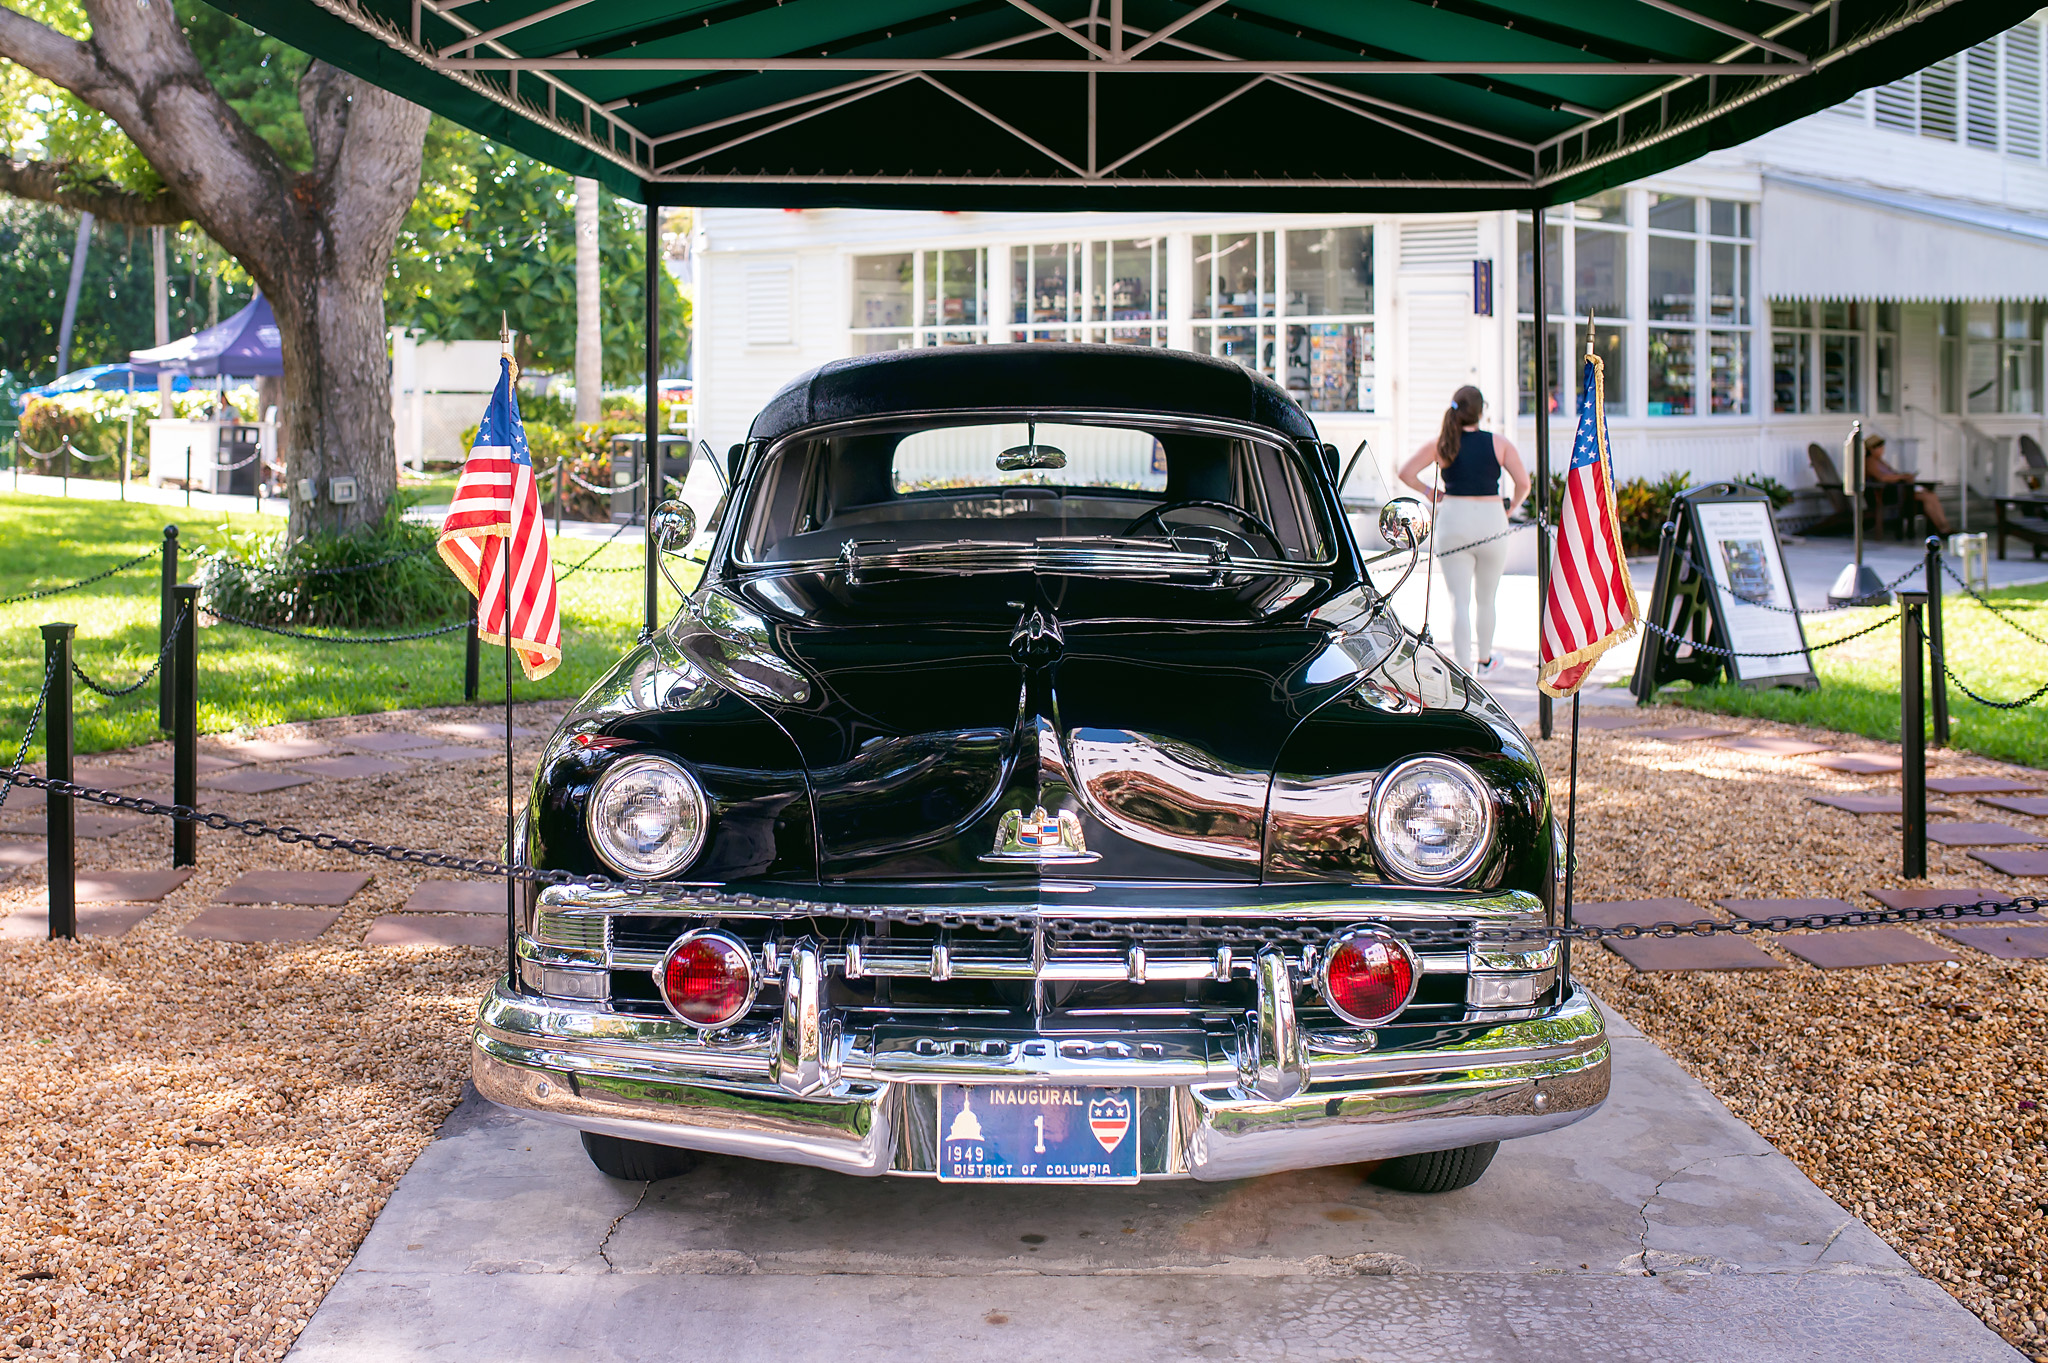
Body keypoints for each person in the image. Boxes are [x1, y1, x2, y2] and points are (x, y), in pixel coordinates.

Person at [1397, 385, 1531, 676]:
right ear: (1481, 412)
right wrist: (1509, 508)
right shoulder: (1499, 443)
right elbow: (1524, 484)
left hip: (1453, 521)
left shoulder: (1442, 443)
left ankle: (1464, 668)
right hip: (1491, 521)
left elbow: (1405, 472)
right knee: (1487, 597)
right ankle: (1485, 659)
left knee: (1459, 600)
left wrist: (1431, 491)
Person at [1863, 433, 1951, 535]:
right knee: (1928, 497)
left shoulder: (1881, 462)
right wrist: (1901, 477)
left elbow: (1893, 474)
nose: (1883, 450)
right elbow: (1882, 478)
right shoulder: (1870, 462)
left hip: (1899, 490)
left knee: (1931, 497)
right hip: (1887, 494)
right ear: (1872, 449)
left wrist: (1905, 477)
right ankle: (1943, 528)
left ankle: (1943, 526)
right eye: (1880, 448)